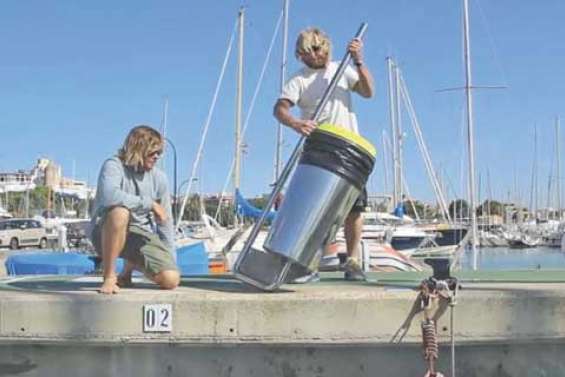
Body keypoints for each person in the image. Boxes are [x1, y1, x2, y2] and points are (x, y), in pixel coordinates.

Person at [273, 27, 375, 281]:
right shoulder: (298, 80)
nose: (321, 54)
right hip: (320, 149)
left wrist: (359, 61)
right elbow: (280, 108)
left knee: (354, 208)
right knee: (317, 209)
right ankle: (310, 264)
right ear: (302, 54)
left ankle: (352, 261)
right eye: (314, 50)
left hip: (349, 147)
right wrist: (296, 123)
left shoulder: (342, 70)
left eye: (323, 48)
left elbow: (368, 91)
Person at [90, 125, 180, 294]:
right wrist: (150, 204)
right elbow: (110, 196)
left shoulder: (160, 178)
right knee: (120, 213)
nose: (157, 157)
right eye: (153, 152)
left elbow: (165, 223)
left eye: (159, 153)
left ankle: (127, 272)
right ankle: (109, 276)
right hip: (106, 231)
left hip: (140, 234)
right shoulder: (113, 166)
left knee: (170, 279)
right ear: (138, 149)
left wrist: (171, 260)